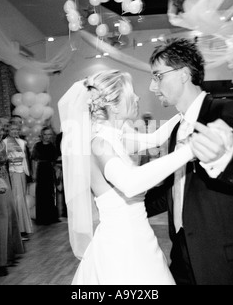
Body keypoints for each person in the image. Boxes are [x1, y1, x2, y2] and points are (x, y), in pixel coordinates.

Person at [145, 38, 233, 285]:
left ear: (184, 74)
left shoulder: (227, 111)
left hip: (230, 261)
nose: (152, 86)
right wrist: (128, 206)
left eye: (158, 76)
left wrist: (225, 160)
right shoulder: (177, 128)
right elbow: (176, 188)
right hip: (183, 254)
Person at [59, 69, 198, 285]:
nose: (137, 97)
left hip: (136, 235)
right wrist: (190, 151)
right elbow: (130, 184)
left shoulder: (117, 137)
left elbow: (156, 138)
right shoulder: (100, 144)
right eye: (131, 93)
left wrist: (186, 111)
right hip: (123, 244)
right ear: (114, 106)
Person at [0, 118, 24, 275]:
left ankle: (9, 254)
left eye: (1, 130)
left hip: (6, 180)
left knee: (10, 215)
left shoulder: (3, 144)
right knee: (1, 218)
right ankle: (1, 260)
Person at [4, 119, 33, 239]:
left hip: (21, 173)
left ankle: (23, 228)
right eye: (12, 129)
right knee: (16, 200)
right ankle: (17, 230)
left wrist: (28, 174)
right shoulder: (4, 143)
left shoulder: (22, 143)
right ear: (8, 130)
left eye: (16, 129)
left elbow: (26, 160)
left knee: (21, 200)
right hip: (12, 173)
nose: (15, 131)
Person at [31, 127, 60, 225]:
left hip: (50, 171)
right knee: (41, 194)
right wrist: (34, 174)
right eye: (46, 134)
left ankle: (51, 217)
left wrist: (56, 174)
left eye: (49, 134)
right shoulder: (37, 146)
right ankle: (42, 218)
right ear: (42, 135)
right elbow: (34, 161)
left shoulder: (52, 146)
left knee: (50, 194)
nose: (47, 136)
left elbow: (55, 162)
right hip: (40, 171)